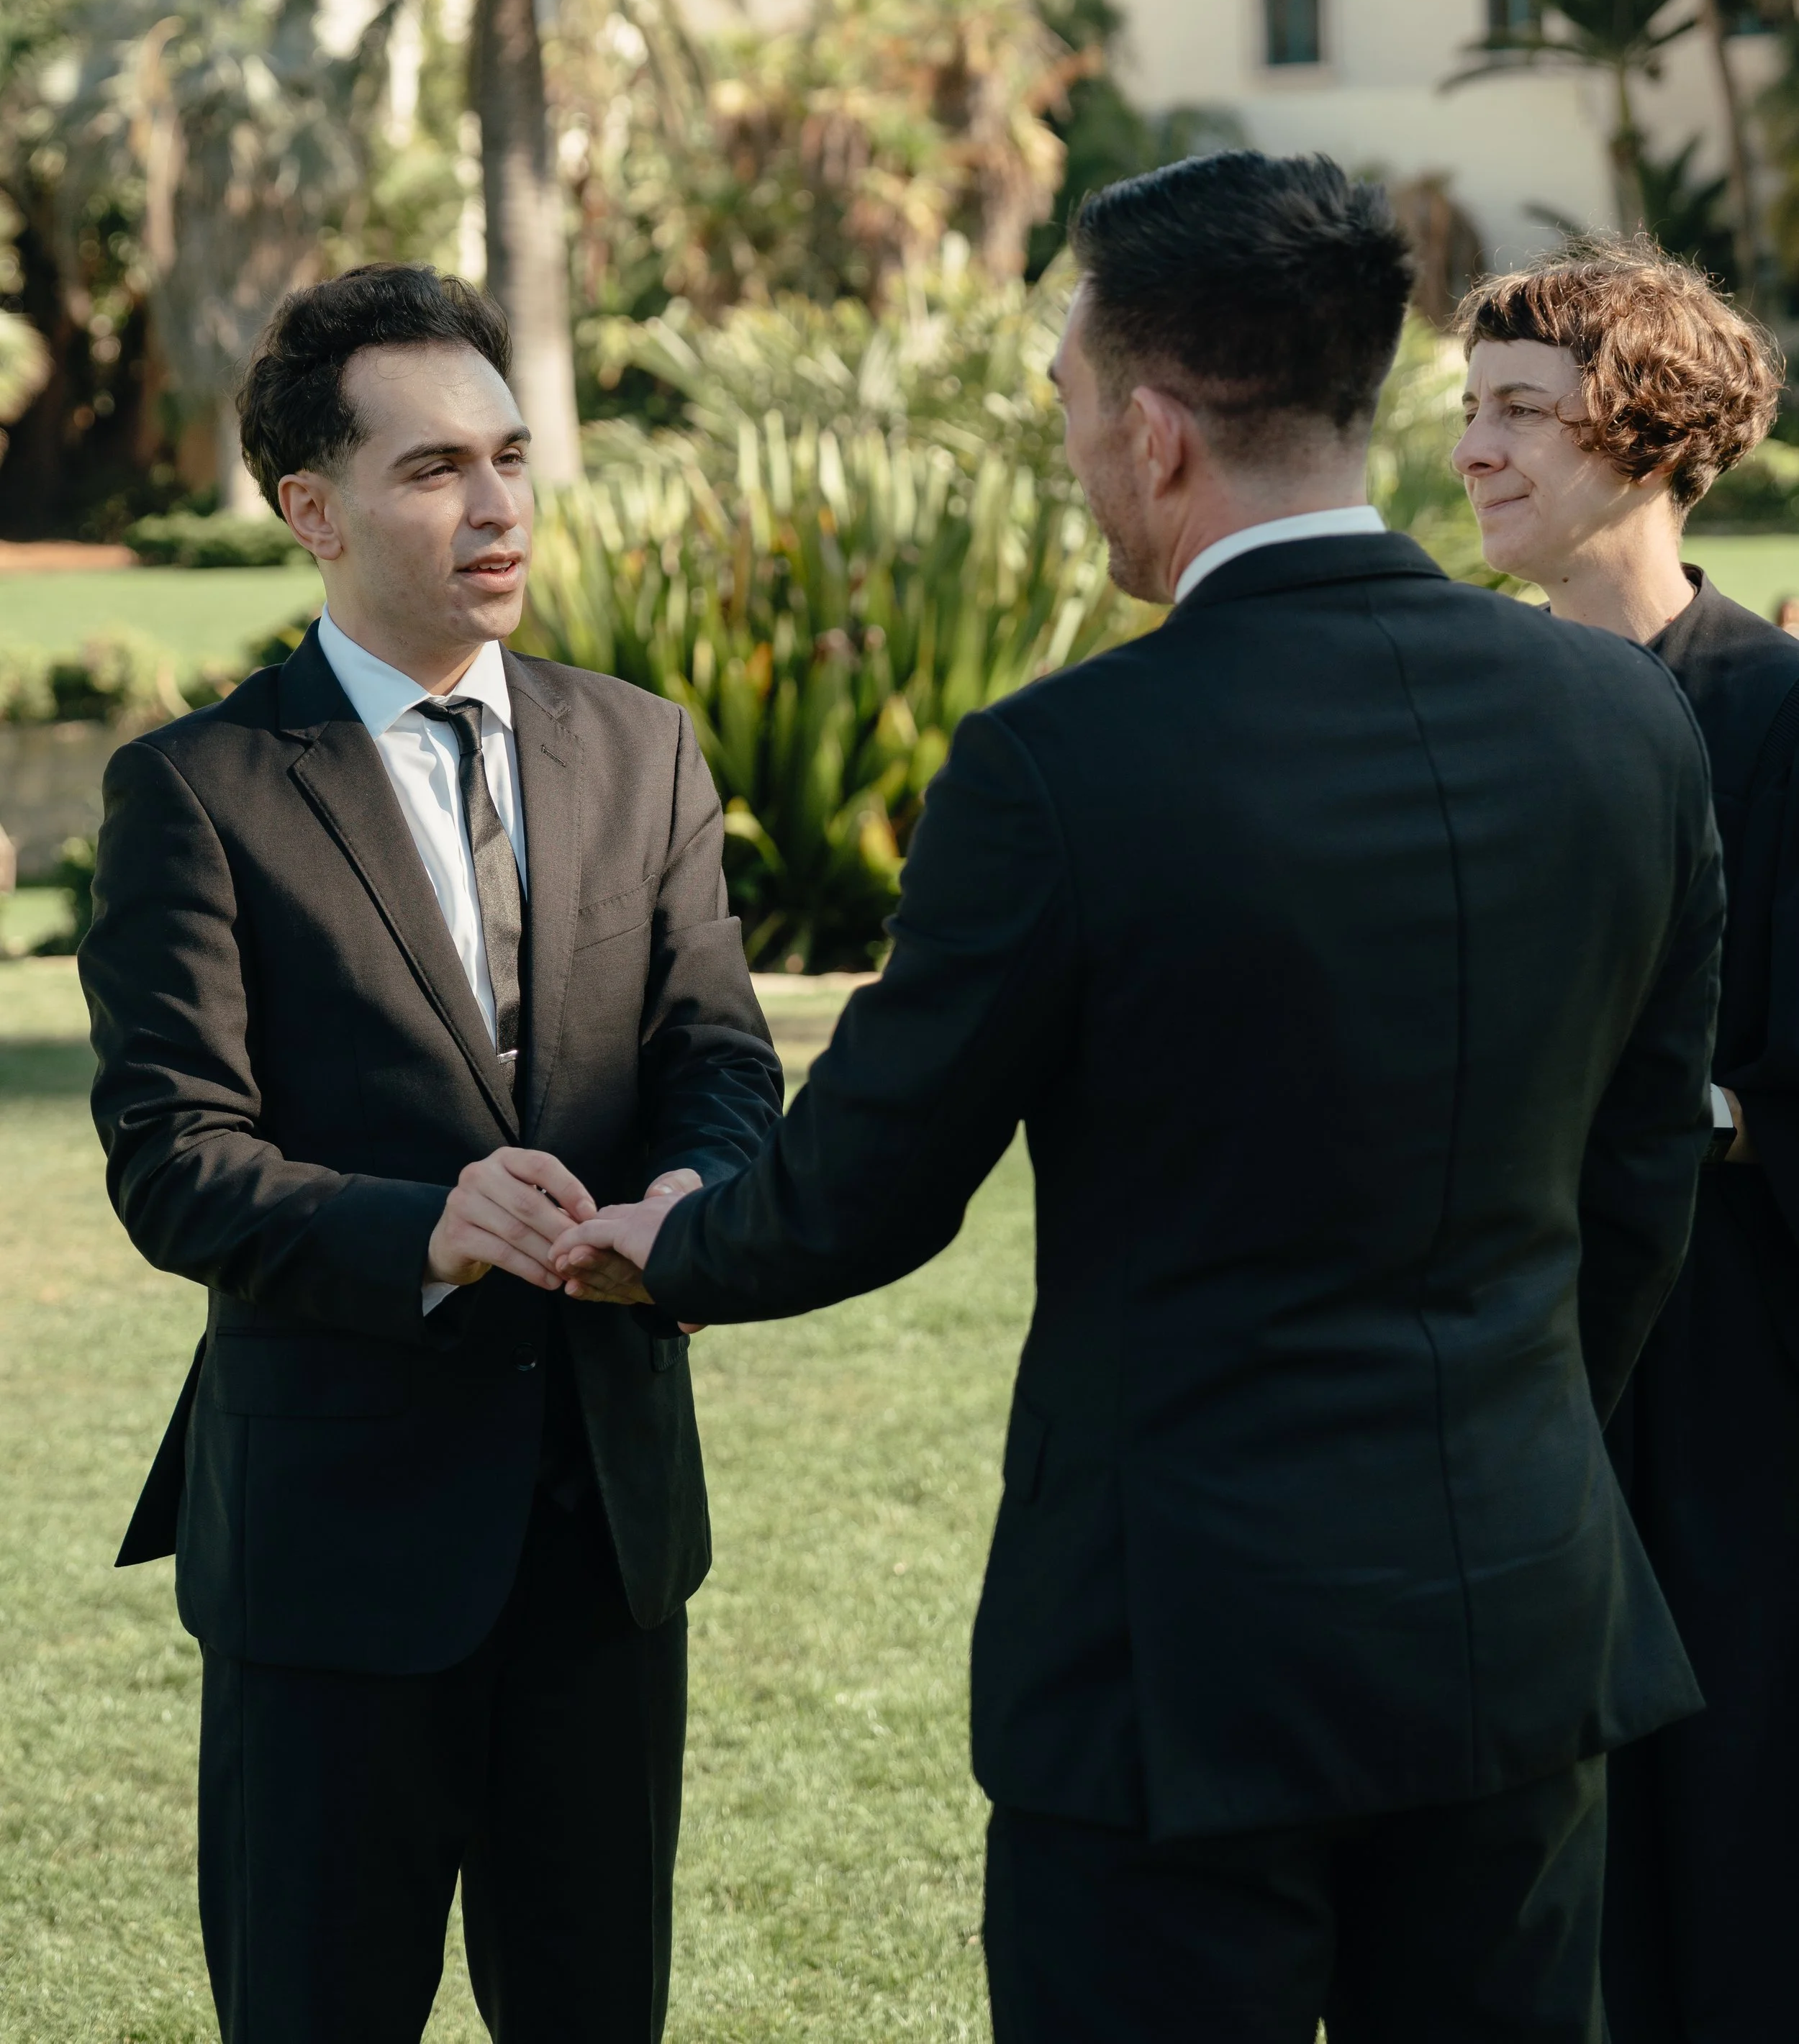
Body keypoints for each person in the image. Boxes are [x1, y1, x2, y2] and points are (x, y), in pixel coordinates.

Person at [551, 151, 1723, 2044]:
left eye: (1070, 401)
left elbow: (860, 1185)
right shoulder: (1623, 717)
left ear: (1156, 432)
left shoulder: (1060, 764)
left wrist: (665, 1241)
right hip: (1516, 1608)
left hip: (1182, 1657)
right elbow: (1644, 1165)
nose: (1074, 442)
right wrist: (1520, 1428)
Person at [80, 265, 782, 2044]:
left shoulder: (641, 747)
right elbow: (173, 1156)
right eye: (432, 470)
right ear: (311, 511)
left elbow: (717, 1060)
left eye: (511, 458)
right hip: (332, 1563)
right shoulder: (199, 791)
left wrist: (694, 1201)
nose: (494, 508)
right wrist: (429, 1226)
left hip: (606, 1544)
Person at [1453, 237, 1797, 2044]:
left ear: (1648, 424)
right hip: (1498, 1380)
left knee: (1736, 1869)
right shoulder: (1452, 711)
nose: (1472, 451)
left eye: (1519, 407)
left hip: (1735, 1381)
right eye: (1465, 412)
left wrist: (1660, 1106)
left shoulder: (1781, 717)